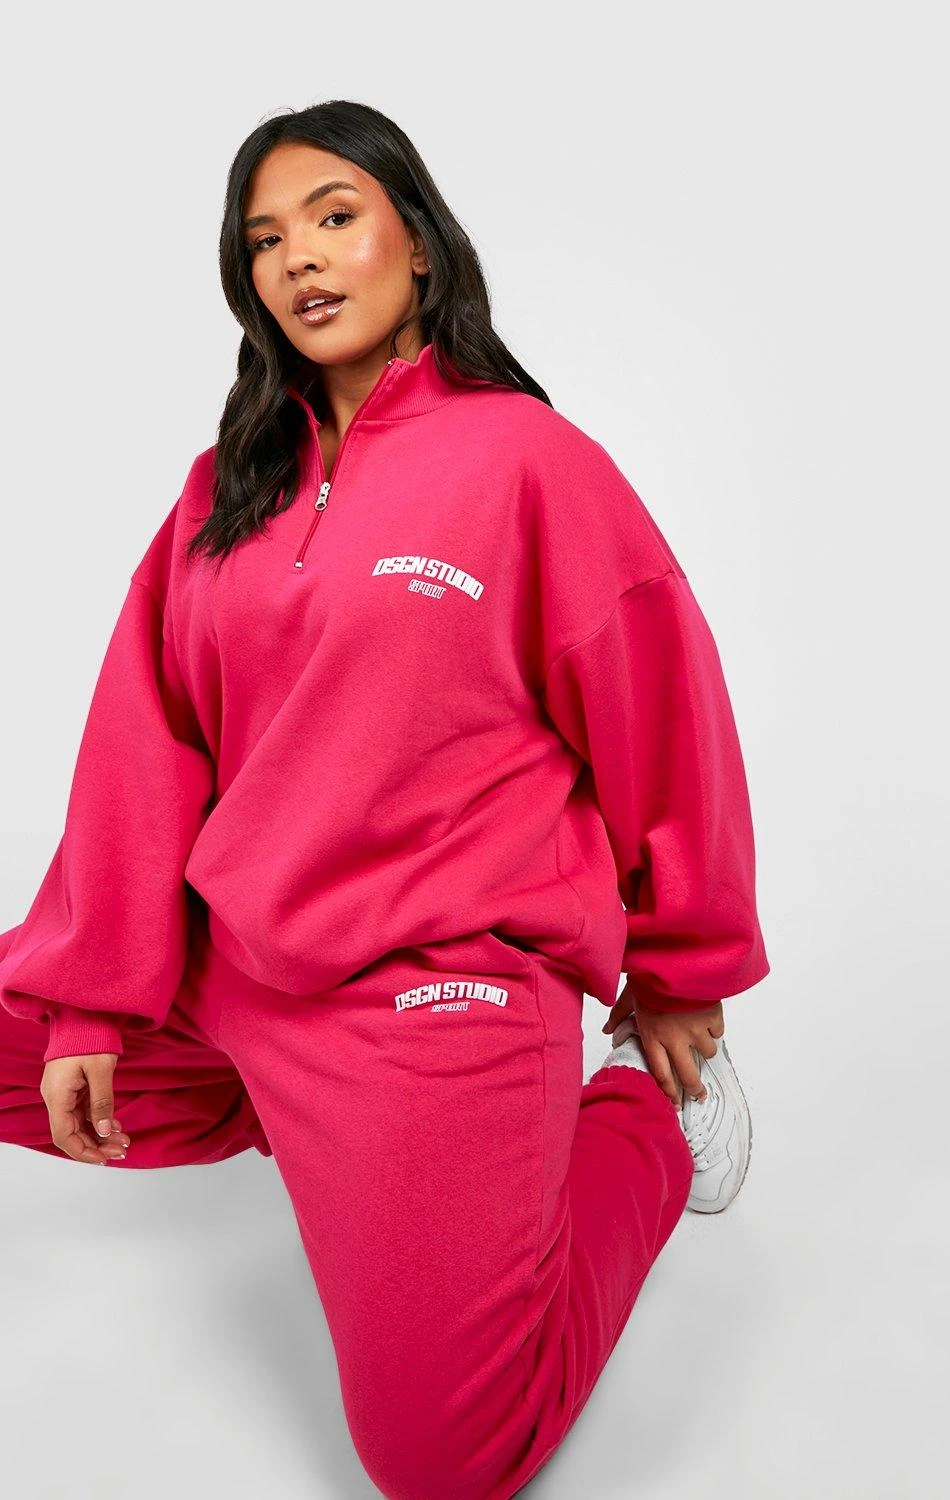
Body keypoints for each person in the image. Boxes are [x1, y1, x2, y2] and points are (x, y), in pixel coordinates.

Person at [0, 100, 770, 1500]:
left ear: (418, 242)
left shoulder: (528, 463)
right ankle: (303, 1126)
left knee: (443, 1461)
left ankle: (640, 1126)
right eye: (264, 240)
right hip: (235, 964)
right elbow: (143, 746)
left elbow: (668, 714)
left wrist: (678, 973)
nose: (297, 257)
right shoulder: (226, 490)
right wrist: (92, 1002)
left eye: (334, 216)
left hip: (429, 982)